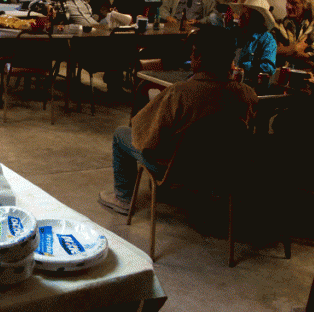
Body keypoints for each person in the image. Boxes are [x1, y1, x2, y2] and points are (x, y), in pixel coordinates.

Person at [98, 26, 257, 214]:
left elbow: (147, 137)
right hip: (222, 171)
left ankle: (123, 198)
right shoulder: (246, 94)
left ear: (198, 57)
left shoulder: (179, 93)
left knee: (121, 134)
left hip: (177, 171)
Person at [273, 0, 314, 69]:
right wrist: (296, 48)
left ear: (307, 5)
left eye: (294, 3)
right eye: (288, 2)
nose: (288, 6)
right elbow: (271, 51)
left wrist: (285, 50)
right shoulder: (278, 25)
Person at [235, 0, 277, 81]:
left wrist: (244, 66)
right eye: (241, 13)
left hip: (251, 84)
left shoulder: (267, 40)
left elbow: (268, 68)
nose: (240, 18)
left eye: (245, 15)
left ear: (256, 18)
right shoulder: (234, 33)